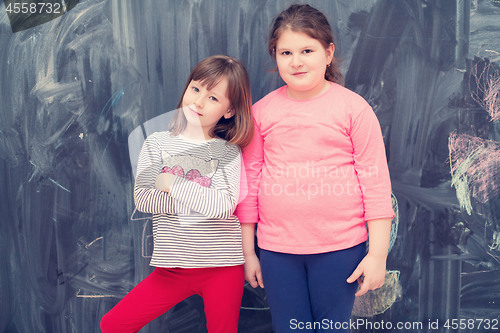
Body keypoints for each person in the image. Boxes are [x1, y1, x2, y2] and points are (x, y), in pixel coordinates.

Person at [235, 4, 394, 333]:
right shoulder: (262, 113)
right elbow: (247, 185)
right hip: (277, 252)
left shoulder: (354, 109)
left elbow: (376, 184)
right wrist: (249, 252)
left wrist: (377, 255)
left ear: (328, 52)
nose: (296, 61)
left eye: (307, 50)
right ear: (275, 56)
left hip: (340, 249)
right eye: (286, 52)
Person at [100, 55, 254, 333]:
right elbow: (144, 199)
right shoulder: (156, 143)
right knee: (113, 325)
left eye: (213, 98)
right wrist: (202, 200)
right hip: (171, 269)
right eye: (196, 89)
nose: (198, 102)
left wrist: (172, 181)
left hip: (222, 268)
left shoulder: (228, 152)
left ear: (229, 111)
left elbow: (223, 206)